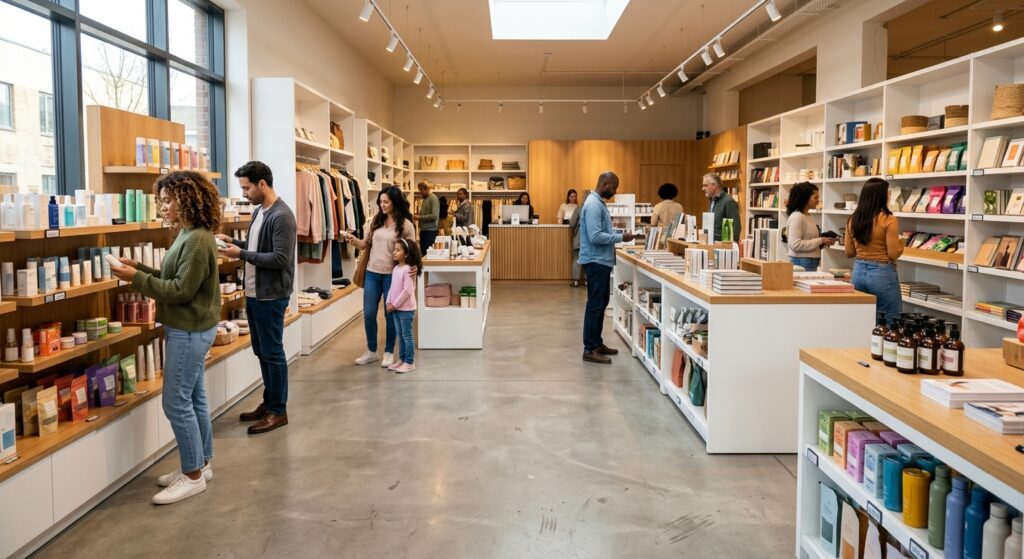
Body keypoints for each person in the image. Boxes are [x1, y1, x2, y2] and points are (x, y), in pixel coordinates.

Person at [111, 171, 221, 505]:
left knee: (175, 402)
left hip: (189, 330)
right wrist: (141, 269)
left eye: (168, 200)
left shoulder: (197, 240)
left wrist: (135, 279)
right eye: (162, 201)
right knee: (194, 398)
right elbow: (174, 276)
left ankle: (192, 477)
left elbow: (180, 290)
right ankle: (200, 464)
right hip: (191, 327)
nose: (163, 207)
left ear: (188, 200)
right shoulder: (189, 234)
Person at [217, 161, 296, 435]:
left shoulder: (282, 216)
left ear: (262, 184)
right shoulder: (260, 212)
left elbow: (279, 258)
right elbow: (256, 248)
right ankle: (269, 401)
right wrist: (235, 243)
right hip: (254, 293)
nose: (244, 194)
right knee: (262, 351)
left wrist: (240, 254)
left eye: (247, 188)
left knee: (273, 352)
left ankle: (279, 410)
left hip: (271, 296)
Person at [342, 186, 417, 368]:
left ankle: (389, 352)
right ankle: (371, 351)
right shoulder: (376, 220)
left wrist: (414, 267)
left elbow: (413, 250)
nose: (382, 205)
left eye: (386, 202)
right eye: (380, 202)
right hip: (372, 273)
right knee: (368, 314)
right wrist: (353, 239)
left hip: (392, 276)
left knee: (390, 314)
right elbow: (364, 245)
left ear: (394, 202)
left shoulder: (406, 225)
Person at [579, 172, 635, 364]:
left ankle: (596, 343)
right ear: (605, 184)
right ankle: (589, 349)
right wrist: (621, 237)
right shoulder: (594, 205)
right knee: (595, 305)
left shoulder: (597, 202)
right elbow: (595, 236)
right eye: (614, 187)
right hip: (596, 262)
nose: (615, 191)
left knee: (600, 304)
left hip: (600, 261)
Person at [844, 177, 903, 322]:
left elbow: (849, 252)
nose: (889, 195)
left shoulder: (853, 220)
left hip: (858, 272)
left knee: (861, 318)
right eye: (887, 192)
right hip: (882, 272)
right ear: (881, 196)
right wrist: (901, 244)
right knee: (889, 318)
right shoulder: (889, 220)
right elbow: (892, 253)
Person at [385, 238, 422, 374]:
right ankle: (401, 360)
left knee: (407, 336)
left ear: (406, 254)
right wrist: (388, 302)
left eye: (398, 250)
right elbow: (391, 288)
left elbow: (408, 290)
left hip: (406, 309)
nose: (394, 252)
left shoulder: (408, 270)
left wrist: (394, 304)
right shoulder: (396, 269)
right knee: (400, 336)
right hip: (396, 308)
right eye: (394, 249)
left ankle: (409, 362)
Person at [785, 181, 834, 272]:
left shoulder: (806, 215)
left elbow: (809, 241)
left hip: (808, 261)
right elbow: (795, 244)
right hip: (802, 263)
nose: (818, 200)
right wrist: (820, 240)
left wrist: (823, 241)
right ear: (805, 198)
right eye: (815, 197)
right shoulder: (797, 217)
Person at [701, 173, 742, 242]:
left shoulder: (728, 202)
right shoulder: (712, 200)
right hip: (711, 243)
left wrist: (726, 247)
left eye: (706, 185)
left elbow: (734, 229)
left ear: (714, 185)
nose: (703, 188)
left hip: (721, 247)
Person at [567, 190, 590, 287]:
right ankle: (587, 281)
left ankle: (576, 282)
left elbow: (572, 224)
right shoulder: (594, 209)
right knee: (588, 260)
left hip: (579, 239)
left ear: (583, 198)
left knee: (577, 258)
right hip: (590, 240)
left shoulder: (579, 209)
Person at [414, 181, 439, 256]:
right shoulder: (425, 199)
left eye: (421, 190)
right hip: (424, 230)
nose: (420, 192)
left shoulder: (433, 199)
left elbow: (434, 216)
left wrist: (419, 217)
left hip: (430, 231)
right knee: (424, 254)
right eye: (419, 190)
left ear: (427, 189)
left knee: (429, 254)